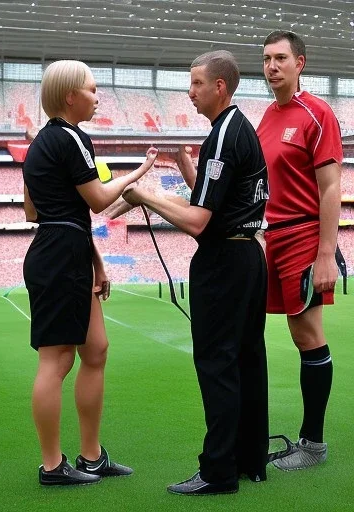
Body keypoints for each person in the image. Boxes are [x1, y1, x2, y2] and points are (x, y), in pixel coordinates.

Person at [122, 50, 269, 495]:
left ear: (219, 86)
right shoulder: (237, 129)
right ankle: (250, 461)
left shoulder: (222, 136)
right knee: (247, 360)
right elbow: (220, 201)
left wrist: (145, 196)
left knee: (217, 363)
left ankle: (218, 471)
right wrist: (190, 170)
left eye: (196, 84)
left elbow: (199, 221)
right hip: (248, 259)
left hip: (223, 263)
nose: (190, 93)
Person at [22, 60, 158, 486]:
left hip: (64, 251)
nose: (98, 98)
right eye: (93, 89)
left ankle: (92, 457)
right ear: (70, 96)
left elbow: (36, 211)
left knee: (95, 350)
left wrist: (96, 264)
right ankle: (51, 466)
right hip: (61, 257)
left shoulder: (43, 144)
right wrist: (138, 174)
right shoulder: (71, 137)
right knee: (57, 360)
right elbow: (98, 201)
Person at [257, 31, 343, 471]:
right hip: (271, 237)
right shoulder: (266, 117)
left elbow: (331, 188)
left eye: (281, 58)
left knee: (309, 336)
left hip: (304, 237)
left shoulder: (317, 112)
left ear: (300, 63)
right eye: (267, 58)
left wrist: (326, 253)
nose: (272, 66)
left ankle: (313, 445)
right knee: (294, 335)